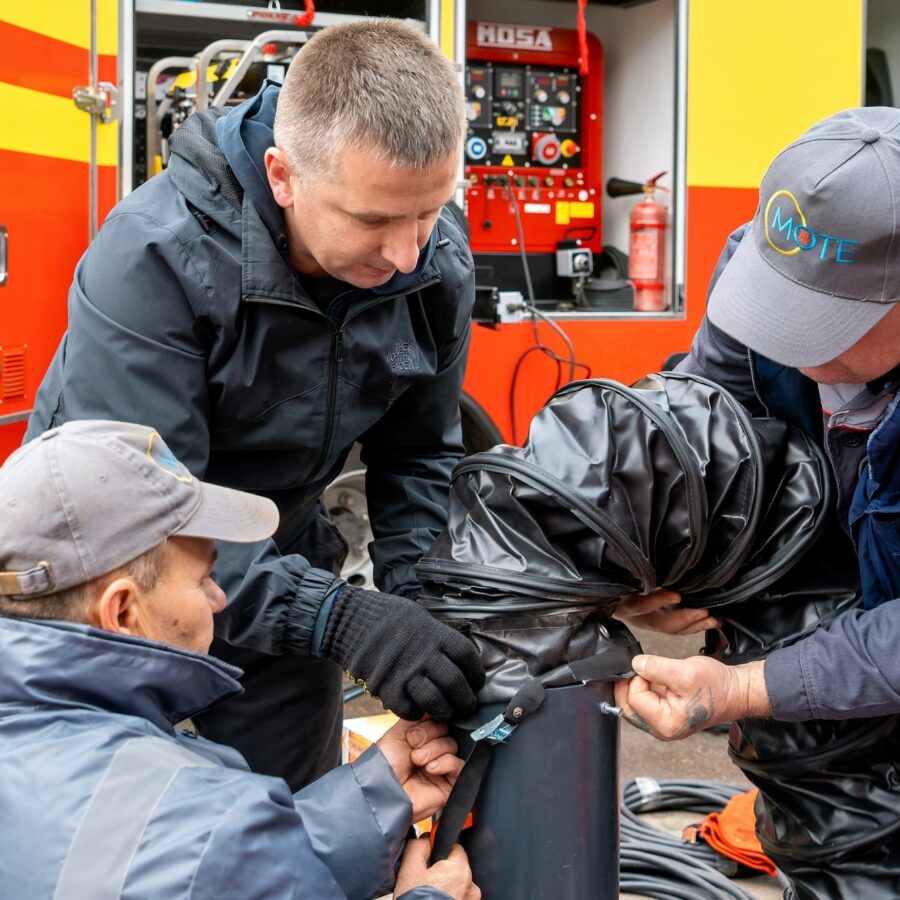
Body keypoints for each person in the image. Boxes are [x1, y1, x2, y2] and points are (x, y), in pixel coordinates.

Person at [25, 18, 485, 791]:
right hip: (105, 586)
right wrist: (340, 618)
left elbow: (420, 455)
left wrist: (416, 609)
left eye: (428, 211)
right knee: (117, 828)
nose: (408, 252)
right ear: (283, 176)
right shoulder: (152, 259)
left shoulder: (435, 263)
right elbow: (145, 517)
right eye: (373, 220)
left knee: (295, 822)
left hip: (278, 558)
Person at [0, 419, 479, 900]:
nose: (218, 596)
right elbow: (204, 852)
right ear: (123, 610)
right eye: (203, 578)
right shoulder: (199, 816)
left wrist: (373, 799)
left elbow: (212, 871)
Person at [613, 106, 900, 740]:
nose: (790, 342)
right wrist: (640, 571)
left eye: (827, 320)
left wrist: (748, 686)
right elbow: (688, 441)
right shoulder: (770, 258)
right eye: (781, 304)